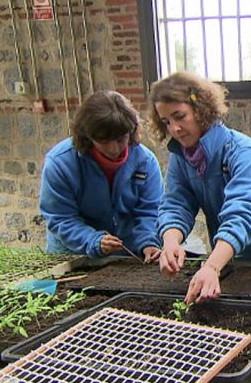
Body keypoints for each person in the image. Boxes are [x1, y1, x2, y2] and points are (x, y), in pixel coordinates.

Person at [149, 72, 251, 304]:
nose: (174, 128)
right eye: (166, 122)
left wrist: (212, 266)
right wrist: (170, 242)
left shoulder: (245, 153)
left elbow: (241, 213)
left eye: (180, 116)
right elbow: (177, 203)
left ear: (201, 109)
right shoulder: (181, 156)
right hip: (226, 253)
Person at [39, 90, 164, 261]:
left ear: (131, 131)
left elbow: (150, 211)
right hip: (74, 255)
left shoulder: (145, 161)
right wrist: (93, 240)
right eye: (104, 141)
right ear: (88, 137)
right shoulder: (61, 163)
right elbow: (61, 218)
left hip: (127, 255)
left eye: (121, 139)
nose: (114, 149)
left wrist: (149, 243)